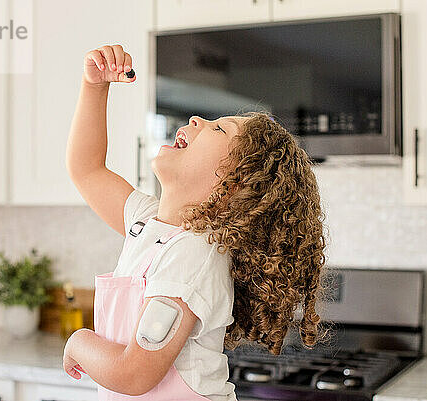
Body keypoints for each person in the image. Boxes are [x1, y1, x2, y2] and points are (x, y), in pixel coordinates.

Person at [62, 44, 330, 401]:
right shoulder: (148, 224)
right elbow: (87, 169)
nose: (196, 120)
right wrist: (94, 86)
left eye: (219, 130)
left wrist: (80, 341)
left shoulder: (193, 253)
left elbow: (134, 373)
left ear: (235, 184)